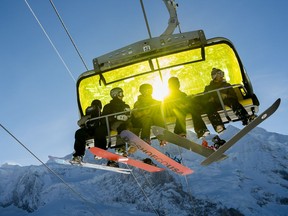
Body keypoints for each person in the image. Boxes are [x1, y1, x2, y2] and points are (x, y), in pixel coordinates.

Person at [101, 87, 134, 166]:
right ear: (115, 95)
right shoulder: (108, 107)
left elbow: (129, 115)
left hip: (126, 123)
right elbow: (105, 118)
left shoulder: (125, 105)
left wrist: (128, 115)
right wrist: (116, 117)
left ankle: (132, 144)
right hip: (115, 124)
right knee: (121, 127)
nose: (122, 95)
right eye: (121, 94)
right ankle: (119, 148)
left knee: (130, 126)